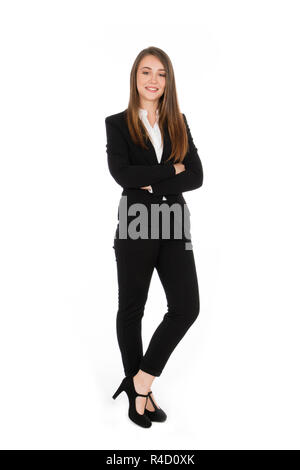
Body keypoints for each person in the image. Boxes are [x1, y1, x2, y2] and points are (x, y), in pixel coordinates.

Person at [105, 46, 204, 428]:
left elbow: (195, 176)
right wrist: (170, 168)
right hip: (135, 222)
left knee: (186, 307)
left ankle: (140, 381)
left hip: (174, 222)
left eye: (161, 73)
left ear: (168, 81)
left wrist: (151, 179)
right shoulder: (118, 123)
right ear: (135, 78)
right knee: (132, 307)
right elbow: (123, 176)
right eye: (146, 72)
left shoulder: (178, 119)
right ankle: (138, 393)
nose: (153, 80)